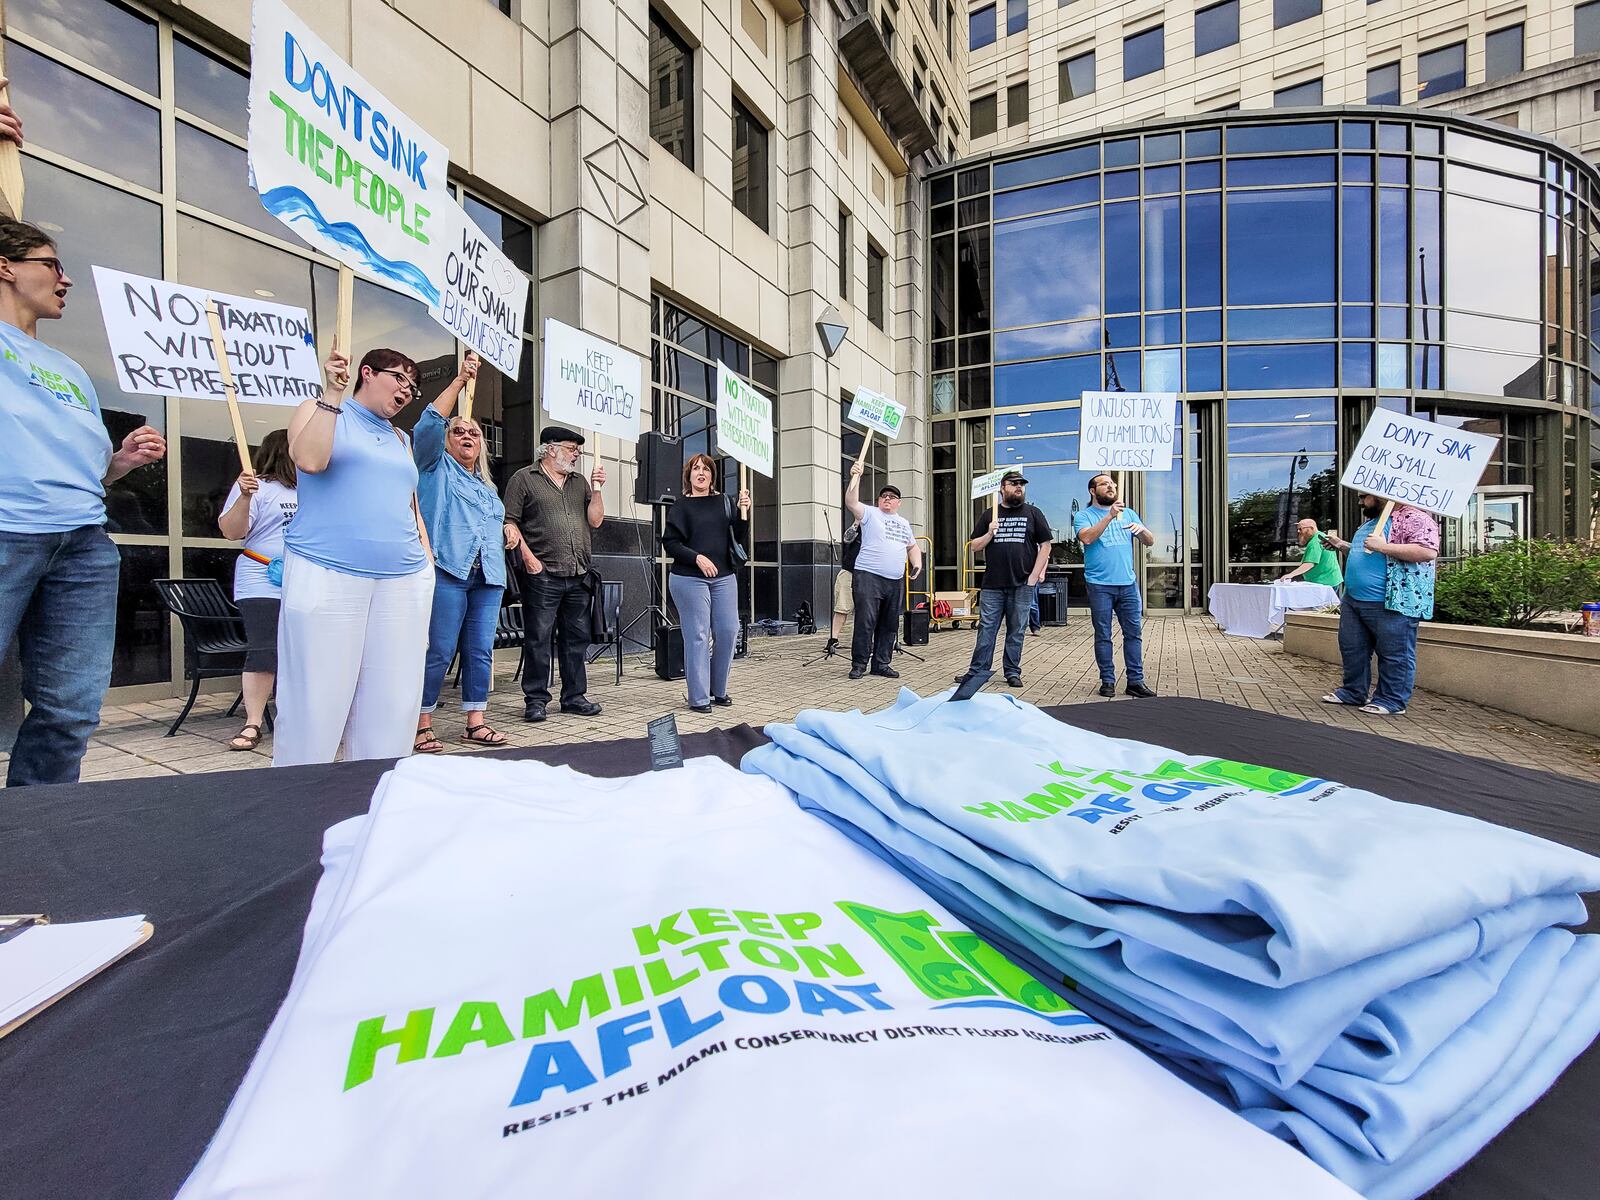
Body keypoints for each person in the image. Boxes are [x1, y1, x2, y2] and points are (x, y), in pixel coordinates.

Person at [0, 218, 166, 785]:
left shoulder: (69, 370)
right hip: (7, 532)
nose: (65, 279)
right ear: (7, 267)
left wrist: (120, 463)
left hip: (82, 547)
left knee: (69, 709)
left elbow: (84, 471)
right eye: (52, 264)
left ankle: (37, 832)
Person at [273, 347, 435, 766]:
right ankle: (298, 799)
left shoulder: (403, 437)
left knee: (392, 700)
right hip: (328, 569)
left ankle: (375, 796)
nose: (406, 390)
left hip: (402, 577)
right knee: (317, 697)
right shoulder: (321, 408)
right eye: (400, 378)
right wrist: (331, 394)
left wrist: (426, 561)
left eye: (412, 387)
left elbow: (410, 503)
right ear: (367, 372)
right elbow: (309, 459)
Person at [413, 352, 513, 753]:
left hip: (487, 578)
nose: (466, 436)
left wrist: (508, 529)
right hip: (449, 571)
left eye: (473, 433)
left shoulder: (489, 489)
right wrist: (458, 382)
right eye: (458, 431)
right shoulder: (434, 467)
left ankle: (475, 721)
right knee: (438, 649)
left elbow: (488, 525)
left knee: (479, 650)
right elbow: (427, 427)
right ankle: (421, 721)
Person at [502, 427, 606, 722]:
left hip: (577, 573)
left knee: (575, 639)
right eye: (572, 449)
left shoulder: (580, 482)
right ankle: (536, 699)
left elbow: (595, 521)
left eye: (577, 450)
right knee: (539, 638)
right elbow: (510, 521)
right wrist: (530, 560)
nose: (577, 454)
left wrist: (597, 489)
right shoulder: (524, 479)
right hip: (543, 573)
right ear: (551, 449)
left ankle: (574, 696)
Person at [1320, 494, 1440, 716]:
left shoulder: (1415, 517)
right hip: (1354, 600)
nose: (1360, 502)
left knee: (1395, 653)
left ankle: (1392, 700)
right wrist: (1341, 545)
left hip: (1391, 601)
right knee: (1352, 648)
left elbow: (1427, 551)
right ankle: (1353, 691)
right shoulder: (1372, 523)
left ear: (1381, 495)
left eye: (1364, 497)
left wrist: (1383, 547)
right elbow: (1365, 552)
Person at [216, 429, 297, 752]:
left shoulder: (316, 489)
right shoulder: (257, 487)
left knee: (303, 653)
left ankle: (294, 716)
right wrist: (245, 496)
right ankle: (253, 721)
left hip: (305, 579)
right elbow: (231, 531)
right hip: (262, 577)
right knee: (264, 648)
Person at [661, 453, 749, 713]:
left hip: (723, 577)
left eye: (706, 469)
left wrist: (744, 512)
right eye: (696, 469)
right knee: (698, 635)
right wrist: (697, 557)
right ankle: (698, 697)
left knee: (728, 630)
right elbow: (670, 543)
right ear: (689, 476)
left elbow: (739, 538)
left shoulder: (724, 501)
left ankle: (717, 689)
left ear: (712, 475)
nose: (701, 473)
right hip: (689, 579)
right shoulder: (680, 506)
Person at [957, 471, 1052, 688]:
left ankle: (1012, 671)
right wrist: (990, 533)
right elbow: (974, 547)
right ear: (1002, 488)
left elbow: (1045, 546)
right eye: (1013, 483)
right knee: (986, 630)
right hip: (993, 584)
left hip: (1022, 584)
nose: (1019, 487)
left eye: (1022, 484)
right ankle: (977, 672)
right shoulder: (990, 514)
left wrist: (1034, 577)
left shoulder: (1033, 513)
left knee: (1017, 630)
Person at [1073, 472, 1157, 699]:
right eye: (1105, 484)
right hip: (1100, 585)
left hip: (1128, 584)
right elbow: (1087, 538)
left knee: (1133, 634)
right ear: (1093, 491)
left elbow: (1149, 541)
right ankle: (1107, 680)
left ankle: (1135, 681)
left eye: (1113, 484)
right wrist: (1109, 516)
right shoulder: (1084, 515)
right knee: (1103, 634)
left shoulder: (1128, 513)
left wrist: (1143, 532)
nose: (1111, 487)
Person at [844, 462, 921, 680]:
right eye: (883, 495)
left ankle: (881, 663)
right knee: (865, 621)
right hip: (868, 576)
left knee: (889, 624)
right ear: (879, 500)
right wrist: (855, 477)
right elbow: (851, 501)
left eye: (891, 496)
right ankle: (859, 663)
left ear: (899, 502)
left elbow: (912, 546)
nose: (887, 498)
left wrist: (917, 564)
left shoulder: (904, 523)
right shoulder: (869, 513)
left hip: (895, 580)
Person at [825, 518, 861, 656]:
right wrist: (857, 522)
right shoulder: (857, 526)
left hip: (868, 574)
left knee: (867, 610)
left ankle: (864, 641)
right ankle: (833, 639)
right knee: (842, 607)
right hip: (849, 570)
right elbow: (847, 538)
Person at [1281, 518, 1344, 588]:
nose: (1298, 531)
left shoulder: (1315, 542)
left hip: (1324, 582)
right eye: (1298, 529)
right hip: (1329, 580)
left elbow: (1309, 563)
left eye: (1301, 529)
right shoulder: (1320, 536)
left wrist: (1291, 575)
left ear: (1311, 528)